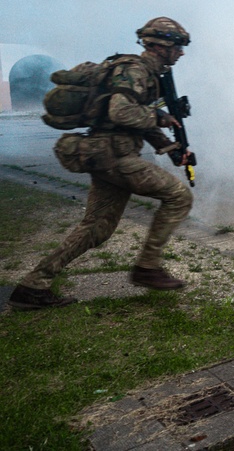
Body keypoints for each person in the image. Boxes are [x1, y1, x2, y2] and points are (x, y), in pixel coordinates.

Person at [8, 17, 196, 310]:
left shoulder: (141, 72)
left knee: (97, 228)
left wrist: (170, 147)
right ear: (161, 46)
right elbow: (121, 113)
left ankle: (32, 286)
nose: (181, 53)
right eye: (178, 47)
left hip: (104, 154)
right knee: (179, 196)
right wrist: (159, 118)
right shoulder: (135, 70)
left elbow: (137, 119)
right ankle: (148, 267)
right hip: (115, 157)